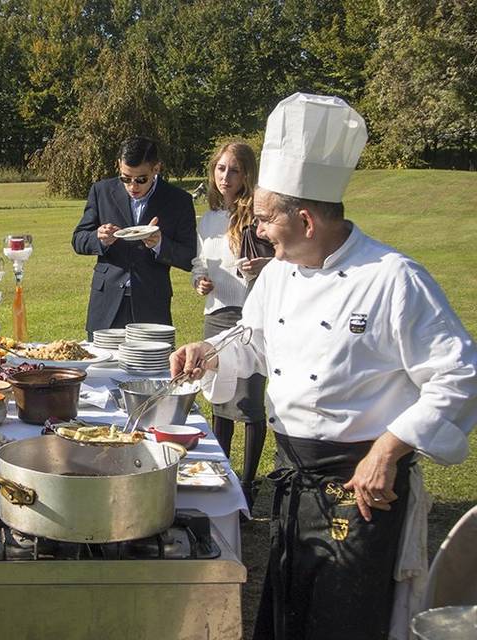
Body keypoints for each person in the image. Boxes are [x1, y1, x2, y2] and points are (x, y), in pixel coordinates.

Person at [171, 93, 477, 640]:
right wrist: (210, 352)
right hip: (295, 481)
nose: (259, 230)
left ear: (306, 219)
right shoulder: (279, 274)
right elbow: (256, 342)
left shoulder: (392, 279)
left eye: (266, 218)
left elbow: (459, 374)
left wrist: (388, 449)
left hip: (361, 489)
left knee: (348, 623)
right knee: (291, 615)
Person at [191, 141, 270, 508]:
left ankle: (249, 483)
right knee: (218, 398)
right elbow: (199, 264)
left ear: (247, 174)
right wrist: (200, 281)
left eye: (234, 170)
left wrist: (263, 267)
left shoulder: (258, 216)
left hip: (250, 313)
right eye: (220, 169)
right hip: (216, 313)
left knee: (250, 403)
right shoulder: (207, 219)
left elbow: (282, 262)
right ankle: (220, 475)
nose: (225, 177)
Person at [72, 136, 197, 338]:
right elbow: (78, 239)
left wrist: (160, 244)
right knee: (101, 368)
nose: (132, 186)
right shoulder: (101, 191)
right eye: (125, 178)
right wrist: (99, 238)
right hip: (106, 303)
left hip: (152, 304)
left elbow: (190, 256)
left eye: (140, 179)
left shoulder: (178, 200)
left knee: (153, 368)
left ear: (156, 168)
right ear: (118, 167)